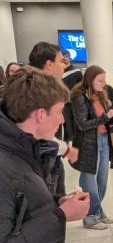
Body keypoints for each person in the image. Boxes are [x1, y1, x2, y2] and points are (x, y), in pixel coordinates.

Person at [0, 66, 90, 242]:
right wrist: (60, 216)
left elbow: (22, 210)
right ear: (41, 114)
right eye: (59, 112)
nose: (62, 120)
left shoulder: (26, 148)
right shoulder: (4, 166)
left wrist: (57, 205)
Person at [71, 65, 113, 230]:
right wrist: (106, 117)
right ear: (90, 80)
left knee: (102, 180)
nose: (103, 83)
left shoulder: (100, 95)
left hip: (104, 139)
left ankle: (97, 211)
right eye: (100, 80)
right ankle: (90, 216)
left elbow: (105, 121)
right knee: (89, 182)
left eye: (104, 80)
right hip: (88, 143)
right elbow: (82, 124)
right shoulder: (79, 97)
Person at [29, 42, 78, 197]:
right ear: (49, 64)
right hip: (42, 164)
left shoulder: (43, 88)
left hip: (52, 159)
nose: (64, 66)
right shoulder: (36, 92)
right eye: (61, 62)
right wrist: (67, 149)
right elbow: (37, 136)